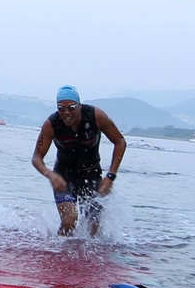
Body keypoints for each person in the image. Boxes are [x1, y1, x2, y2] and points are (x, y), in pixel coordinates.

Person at [31, 84, 126, 237]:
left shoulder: (96, 116)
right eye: (61, 108)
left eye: (71, 107)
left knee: (93, 228)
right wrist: (51, 175)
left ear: (80, 106)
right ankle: (57, 248)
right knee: (69, 221)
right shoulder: (52, 124)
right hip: (64, 176)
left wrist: (110, 176)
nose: (66, 113)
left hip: (91, 174)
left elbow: (120, 142)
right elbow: (36, 157)